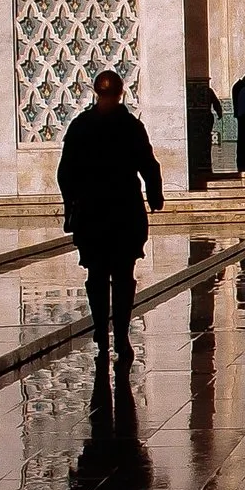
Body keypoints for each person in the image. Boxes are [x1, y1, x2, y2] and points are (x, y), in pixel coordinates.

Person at [58, 67, 164, 364]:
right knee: (121, 275)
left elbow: (65, 173)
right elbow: (148, 165)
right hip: (123, 210)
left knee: (98, 275)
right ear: (119, 94)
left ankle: (104, 332)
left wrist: (71, 206)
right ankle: (119, 334)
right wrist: (155, 196)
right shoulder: (130, 126)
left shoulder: (81, 127)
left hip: (93, 212)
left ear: (97, 93)